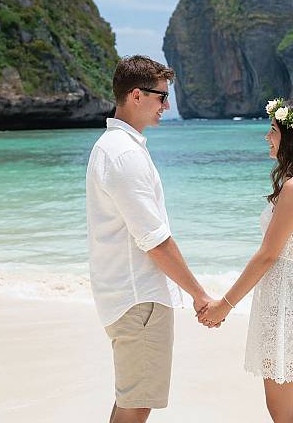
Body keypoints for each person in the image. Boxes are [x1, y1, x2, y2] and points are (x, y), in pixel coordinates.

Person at [86, 55, 213, 423]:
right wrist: (199, 294)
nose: (167, 106)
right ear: (137, 96)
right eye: (161, 97)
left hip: (126, 294)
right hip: (138, 297)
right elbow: (154, 239)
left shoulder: (115, 147)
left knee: (132, 397)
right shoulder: (124, 154)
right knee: (137, 402)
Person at [199, 99, 293, 423]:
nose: (267, 136)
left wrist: (225, 304)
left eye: (272, 130)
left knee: (283, 411)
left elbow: (267, 255)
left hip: (288, 303)